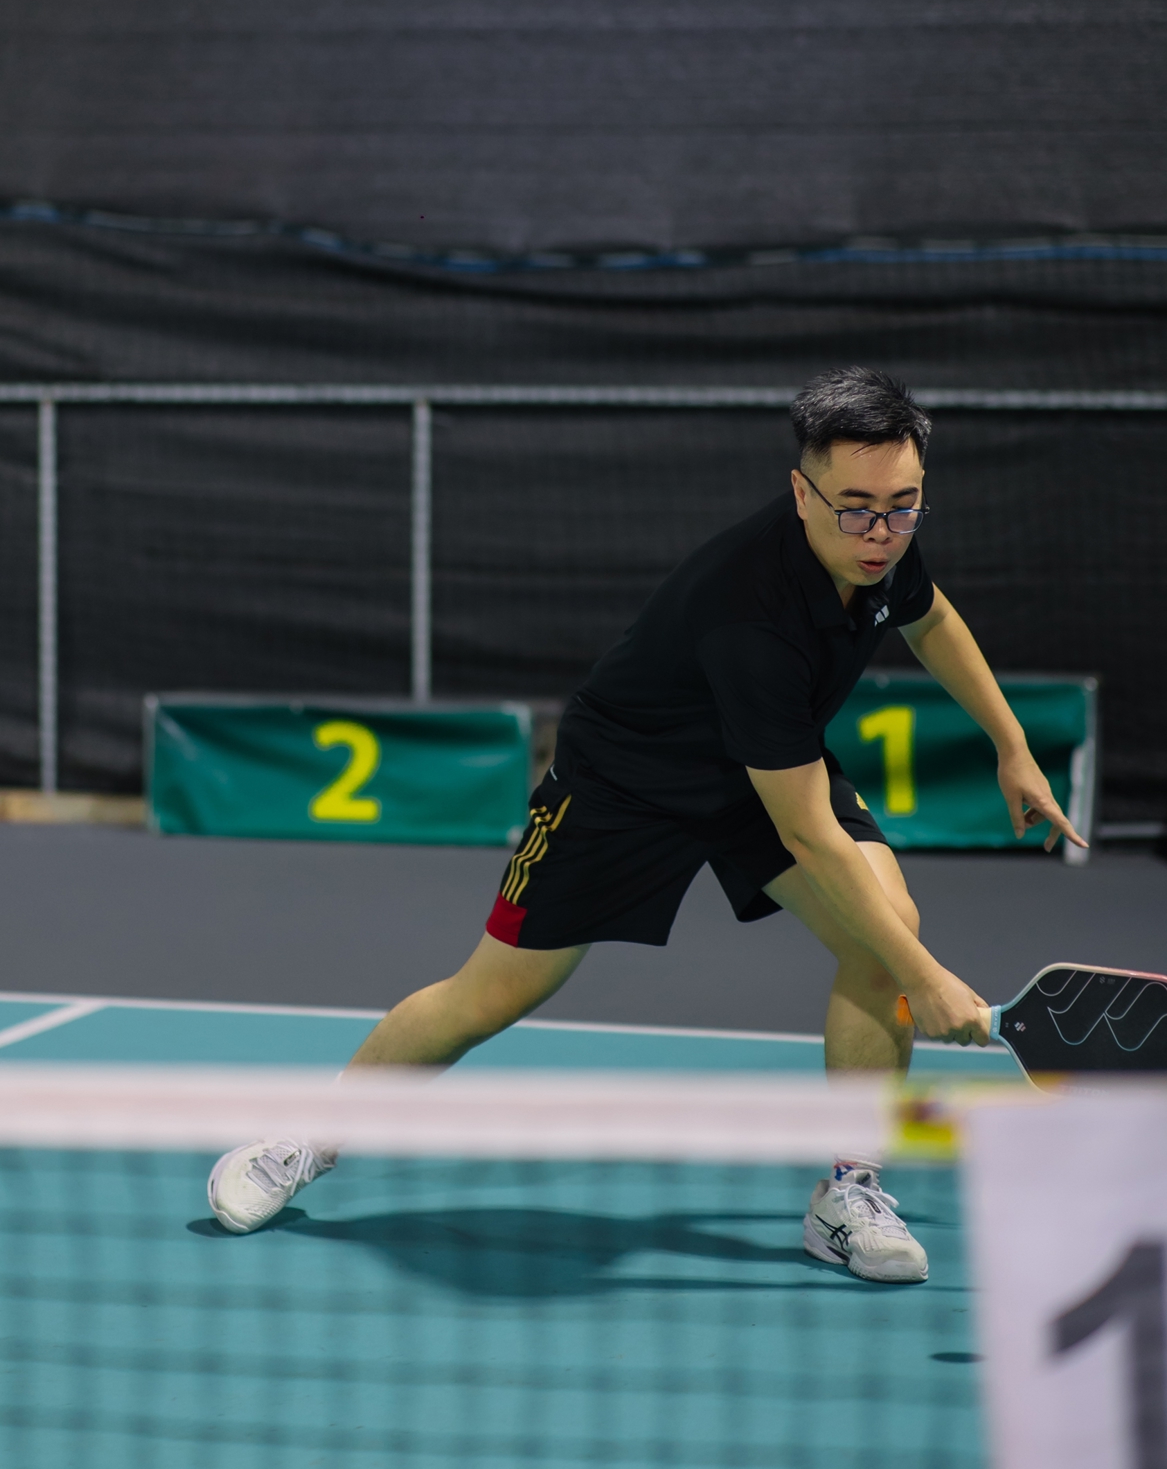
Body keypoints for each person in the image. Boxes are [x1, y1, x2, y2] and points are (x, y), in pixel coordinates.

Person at [207, 363, 1085, 1282]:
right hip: (623, 785)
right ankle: (307, 1140)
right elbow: (807, 838)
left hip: (757, 770)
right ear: (801, 492)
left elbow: (928, 617)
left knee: (882, 930)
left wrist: (1011, 745)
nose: (879, 534)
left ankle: (847, 1187)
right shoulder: (749, 614)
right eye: (855, 509)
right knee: (489, 997)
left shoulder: (880, 546)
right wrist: (929, 981)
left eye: (902, 507)